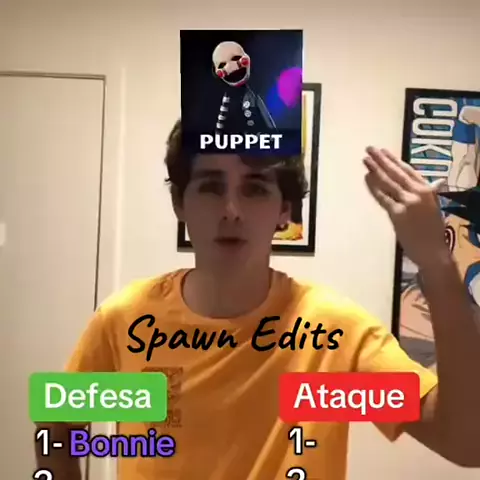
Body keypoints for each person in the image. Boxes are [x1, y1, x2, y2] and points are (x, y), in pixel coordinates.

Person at [35, 120, 480, 480]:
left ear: (285, 210)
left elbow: (466, 443)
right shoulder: (129, 321)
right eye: (211, 187)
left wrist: (436, 263)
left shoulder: (331, 335)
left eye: (254, 189)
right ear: (180, 204)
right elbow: (58, 421)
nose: (231, 210)